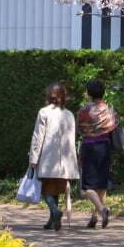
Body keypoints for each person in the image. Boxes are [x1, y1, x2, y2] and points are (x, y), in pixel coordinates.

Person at [28, 81, 79, 231]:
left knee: (45, 189)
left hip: (48, 157)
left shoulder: (44, 112)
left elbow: (38, 137)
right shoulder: (69, 114)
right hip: (66, 159)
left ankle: (55, 212)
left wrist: (33, 158)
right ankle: (53, 220)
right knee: (56, 189)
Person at [75, 79, 119, 229]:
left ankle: (102, 210)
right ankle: (94, 217)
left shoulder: (84, 111)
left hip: (89, 147)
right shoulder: (109, 109)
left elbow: (79, 130)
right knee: (101, 183)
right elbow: (114, 125)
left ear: (89, 93)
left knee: (86, 187)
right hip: (106, 146)